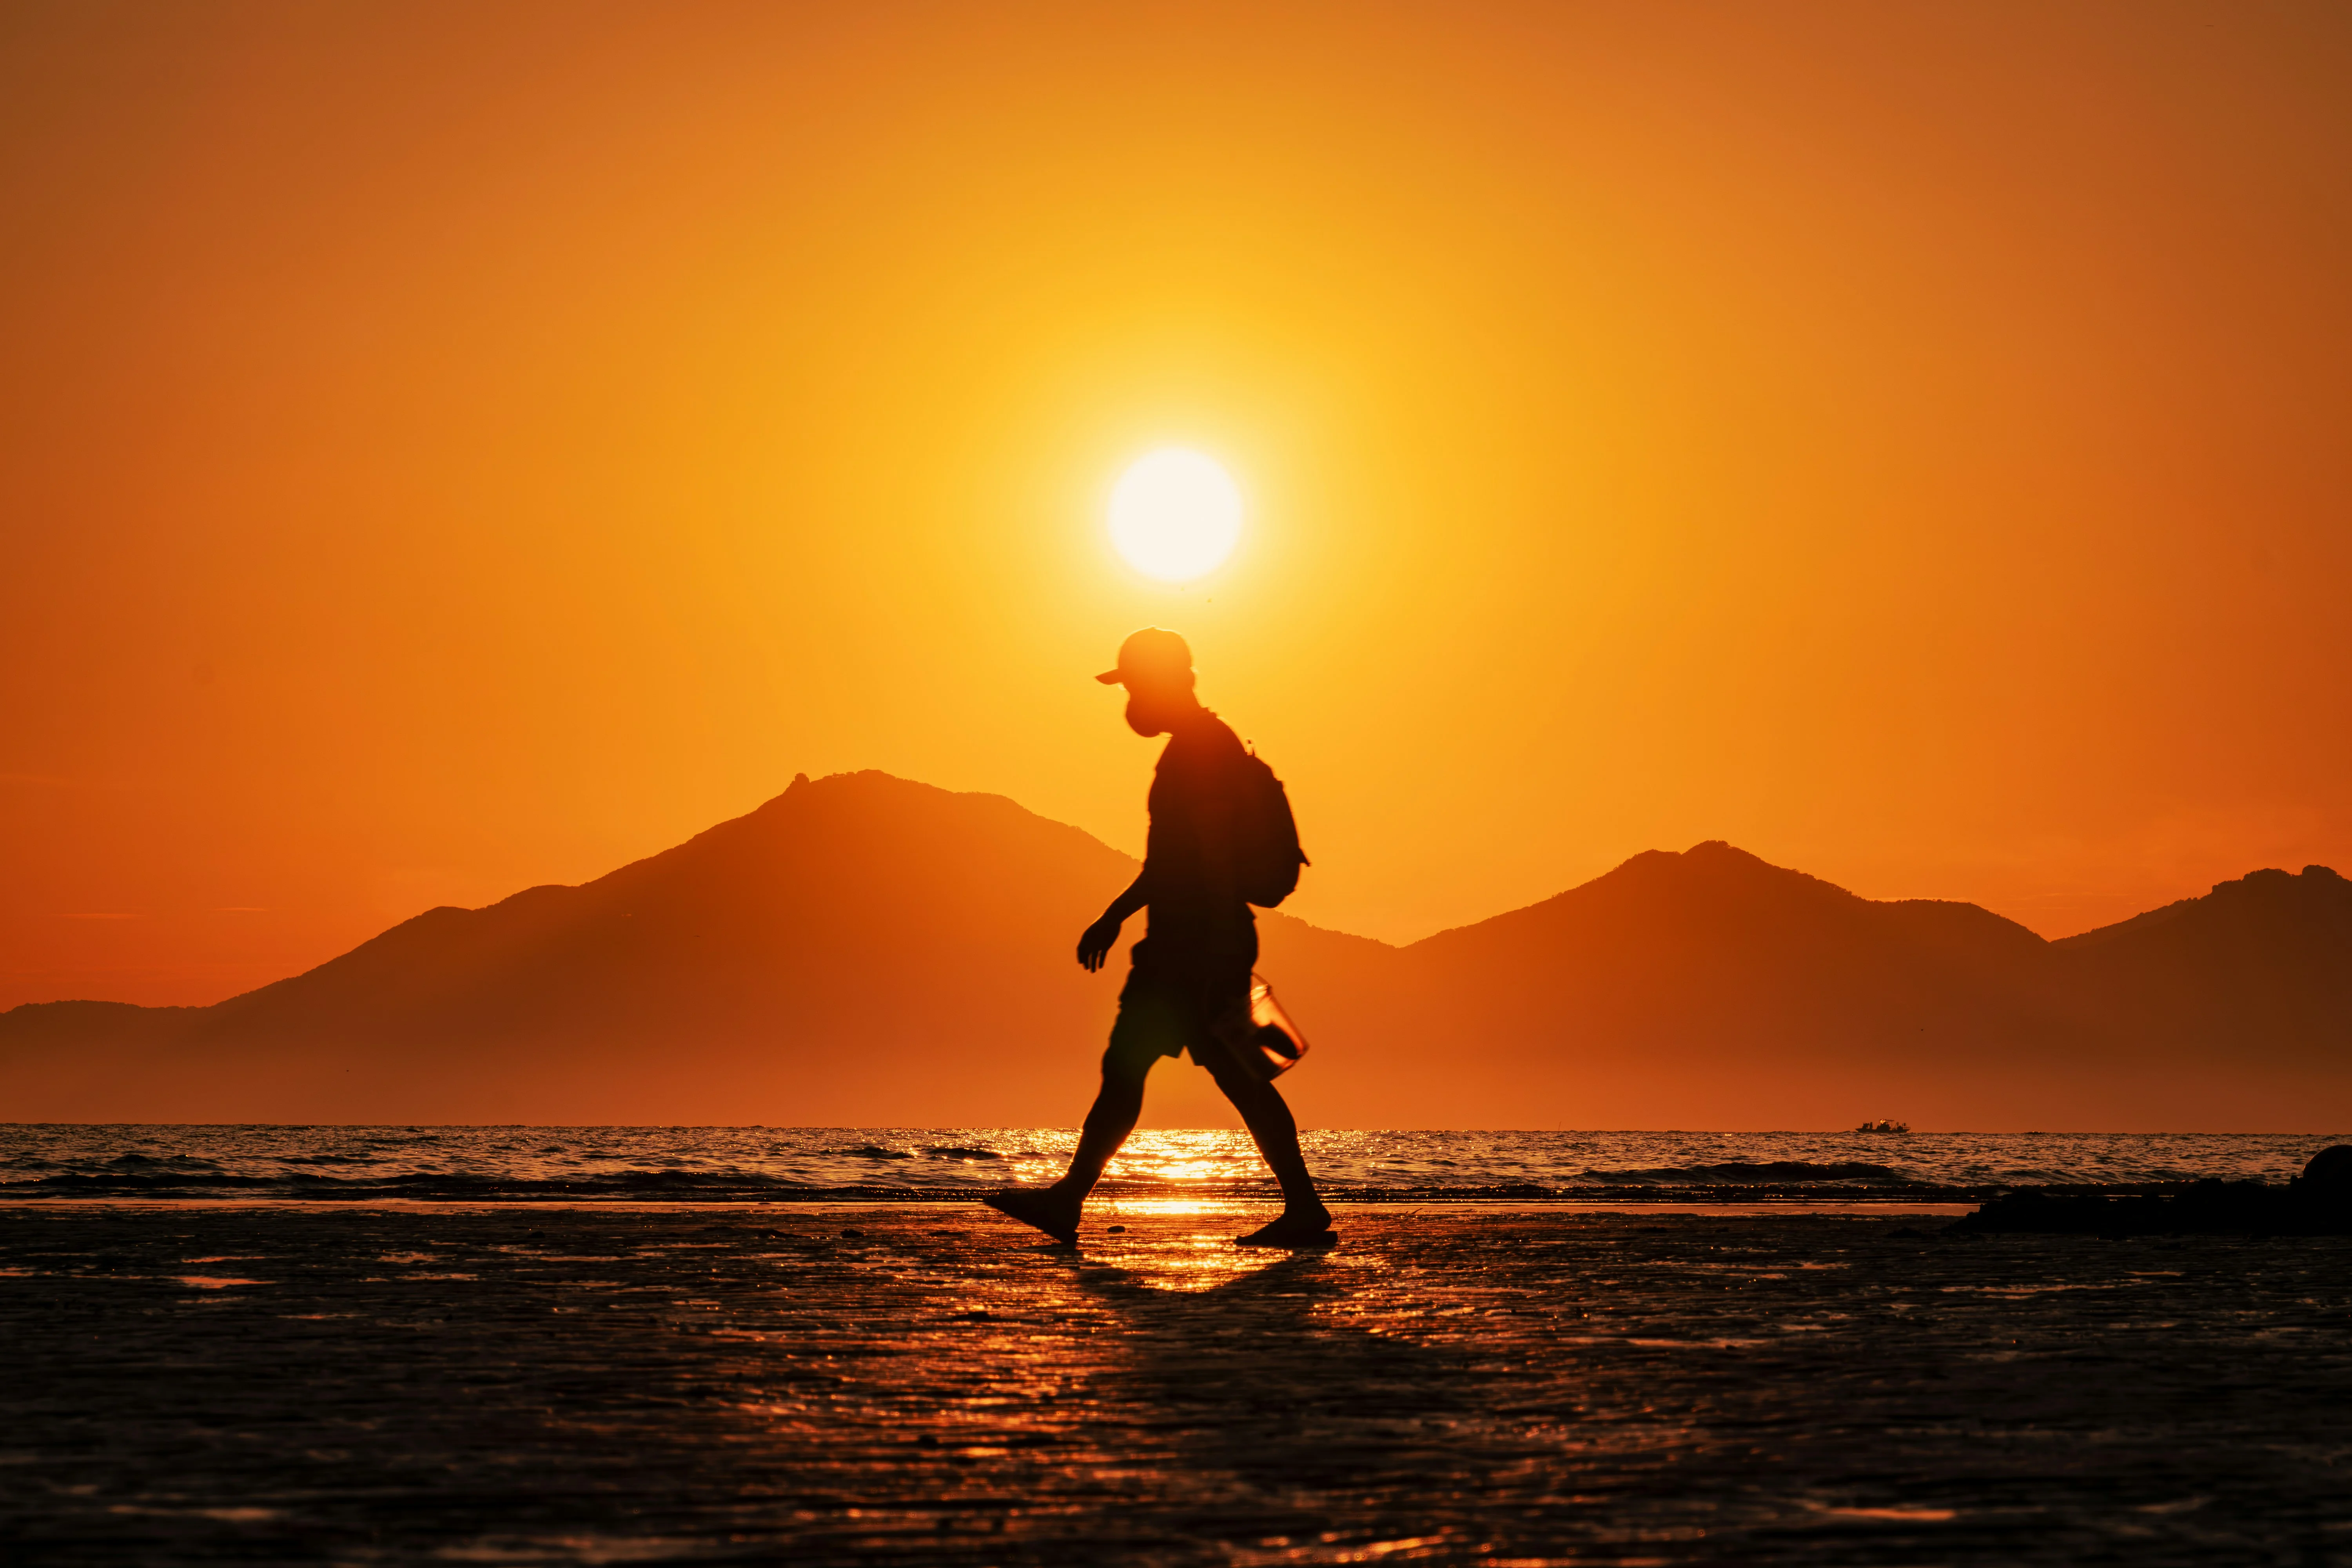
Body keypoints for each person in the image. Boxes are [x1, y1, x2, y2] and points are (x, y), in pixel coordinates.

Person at [985, 628, 1334, 1249]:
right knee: (1183, 1074)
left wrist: (1212, 944)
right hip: (1192, 939)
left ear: (1164, 683)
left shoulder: (1200, 750)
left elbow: (1207, 855)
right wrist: (1119, 917)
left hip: (1192, 947)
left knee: (1198, 1076)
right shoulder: (1199, 746)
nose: (1129, 702)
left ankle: (1071, 1200)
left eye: (1134, 686)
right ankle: (1071, 1199)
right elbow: (1174, 859)